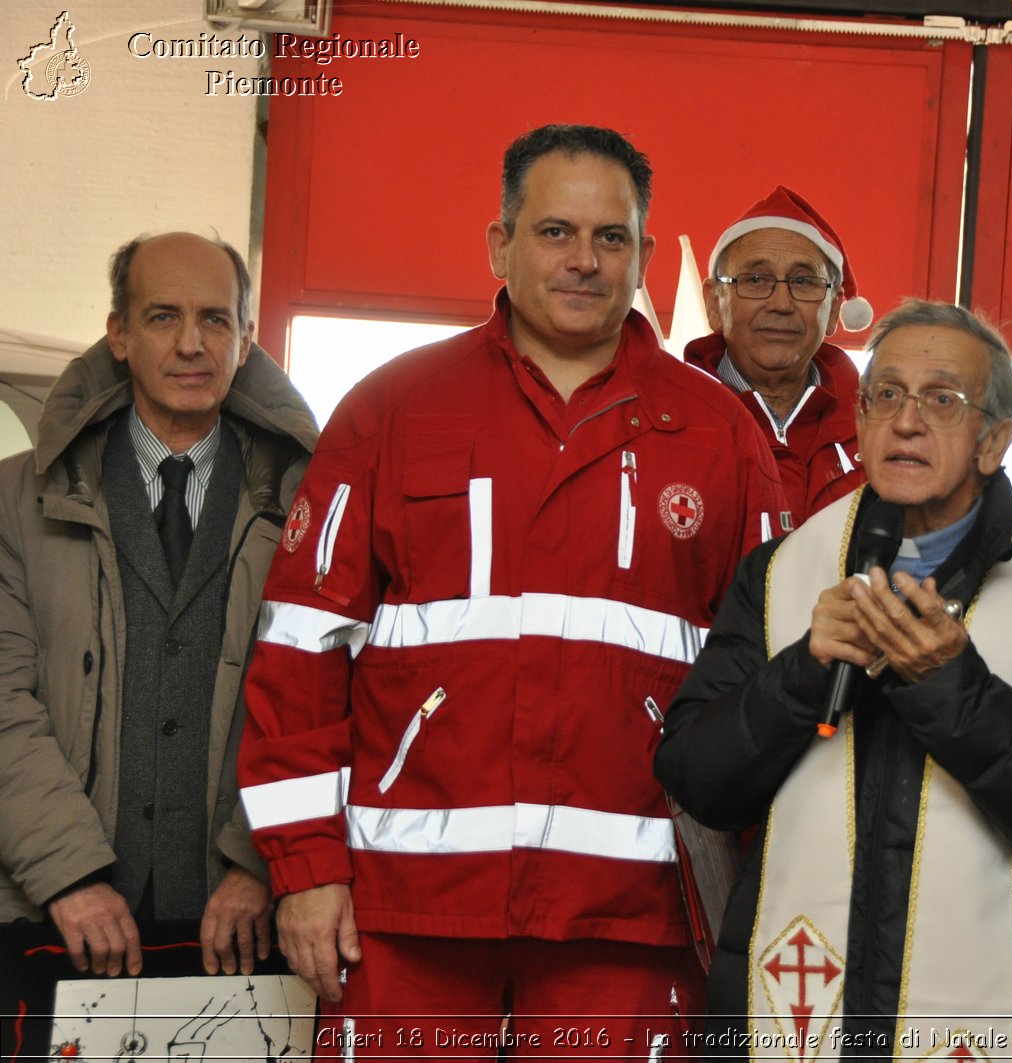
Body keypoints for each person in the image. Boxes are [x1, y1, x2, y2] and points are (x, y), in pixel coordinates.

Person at [237, 124, 787, 1055]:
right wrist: (305, 870)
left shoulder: (720, 436)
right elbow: (300, 652)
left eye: (611, 238)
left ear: (645, 256)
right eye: (554, 232)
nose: (584, 260)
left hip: (635, 914)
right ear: (500, 244)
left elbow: (774, 682)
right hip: (404, 912)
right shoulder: (393, 409)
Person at [656, 298, 1012, 1055]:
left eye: (942, 399)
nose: (907, 420)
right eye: (886, 393)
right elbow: (695, 777)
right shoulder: (784, 571)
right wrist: (803, 672)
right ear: (859, 423)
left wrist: (953, 687)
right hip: (792, 1011)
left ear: (995, 441)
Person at [0, 233, 317, 1035]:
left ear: (247, 341)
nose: (189, 343)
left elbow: (330, 698)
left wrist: (260, 863)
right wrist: (68, 874)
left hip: (244, 925)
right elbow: (2, 703)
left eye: (215, 319)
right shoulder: (13, 499)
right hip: (50, 916)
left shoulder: (317, 505)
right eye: (162, 316)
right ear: (118, 333)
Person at [686, 186, 873, 528]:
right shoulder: (667, 418)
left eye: (803, 282)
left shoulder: (879, 427)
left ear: (833, 310)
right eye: (756, 279)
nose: (781, 304)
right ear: (714, 303)